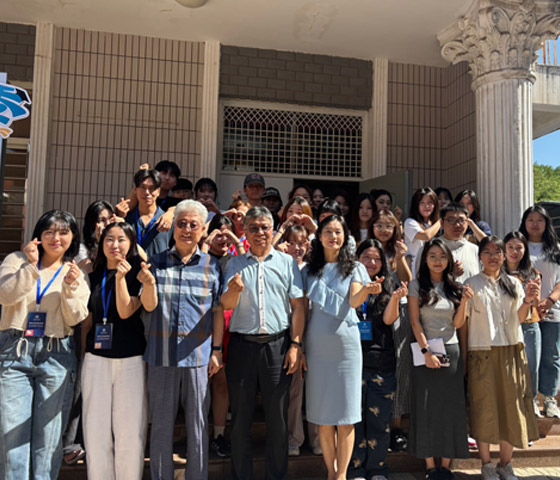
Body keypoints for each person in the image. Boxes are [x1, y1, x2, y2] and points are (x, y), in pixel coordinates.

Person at [0, 209, 90, 480]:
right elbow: (5, 295)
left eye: (63, 232)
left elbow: (76, 317)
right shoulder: (16, 260)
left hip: (56, 354)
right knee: (12, 435)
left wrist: (70, 287)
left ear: (72, 237)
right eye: (49, 231)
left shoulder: (74, 272)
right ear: (38, 234)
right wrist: (31, 265)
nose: (55, 238)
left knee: (48, 439)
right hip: (15, 351)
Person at [221, 206, 305, 480]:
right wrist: (233, 292)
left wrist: (295, 345)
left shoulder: (286, 263)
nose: (259, 233)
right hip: (242, 348)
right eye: (253, 227)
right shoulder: (233, 263)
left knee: (277, 421)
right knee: (241, 420)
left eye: (264, 227)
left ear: (273, 230)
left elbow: (298, 306)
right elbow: (226, 305)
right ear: (244, 231)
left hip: (277, 347)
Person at [143, 200, 224, 480]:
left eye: (193, 225)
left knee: (198, 424)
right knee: (162, 425)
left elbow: (217, 312)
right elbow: (148, 305)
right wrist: (147, 284)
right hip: (160, 354)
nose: (186, 229)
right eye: (181, 223)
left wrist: (216, 350)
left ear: (203, 230)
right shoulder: (155, 263)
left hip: (198, 357)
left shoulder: (212, 267)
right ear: (173, 227)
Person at [81, 222, 155, 480]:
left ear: (132, 244)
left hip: (130, 358)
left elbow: (125, 311)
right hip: (95, 359)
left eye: (121, 239)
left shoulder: (140, 273)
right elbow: (88, 322)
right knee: (95, 429)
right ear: (101, 244)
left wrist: (122, 278)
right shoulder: (93, 275)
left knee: (129, 430)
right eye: (109, 239)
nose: (115, 245)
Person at [303, 215, 374, 480]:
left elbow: (355, 301)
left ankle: (341, 475)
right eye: (328, 231)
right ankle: (330, 473)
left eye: (339, 232)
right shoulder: (307, 271)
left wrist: (367, 291)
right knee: (323, 416)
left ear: (345, 237)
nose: (334, 236)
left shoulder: (355, 268)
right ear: (319, 236)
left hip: (346, 346)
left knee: (346, 416)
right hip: (317, 346)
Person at [465, 236, 539, 480]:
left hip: (511, 350)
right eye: (487, 252)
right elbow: (463, 322)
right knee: (484, 406)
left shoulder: (513, 283)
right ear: (480, 257)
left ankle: (506, 464)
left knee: (511, 406)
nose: (493, 256)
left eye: (498, 251)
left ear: (504, 255)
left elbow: (519, 317)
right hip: (481, 351)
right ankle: (486, 464)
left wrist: (529, 299)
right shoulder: (471, 283)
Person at [407, 238, 472, 480]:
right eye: (432, 256)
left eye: (442, 257)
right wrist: (426, 352)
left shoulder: (455, 287)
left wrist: (464, 301)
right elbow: (415, 322)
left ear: (449, 261)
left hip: (451, 352)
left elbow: (457, 324)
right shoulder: (416, 286)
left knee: (451, 408)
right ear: (425, 259)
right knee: (425, 408)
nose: (437, 261)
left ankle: (446, 465)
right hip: (424, 352)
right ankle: (429, 466)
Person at [347, 239, 407, 480]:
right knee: (355, 421)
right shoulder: (350, 283)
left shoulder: (389, 284)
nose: (371, 263)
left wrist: (393, 298)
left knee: (380, 422)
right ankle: (355, 468)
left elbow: (388, 320)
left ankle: (378, 469)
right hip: (353, 362)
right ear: (356, 260)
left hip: (382, 362)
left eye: (376, 259)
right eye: (366, 258)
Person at [276, 225, 321, 457]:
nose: (297, 247)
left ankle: (317, 438)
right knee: (295, 390)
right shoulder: (282, 266)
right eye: (292, 242)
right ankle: (294, 438)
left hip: (316, 336)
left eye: (302, 243)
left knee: (315, 390)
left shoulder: (315, 269)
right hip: (292, 337)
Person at [370, 208, 412, 451]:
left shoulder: (400, 251)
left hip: (399, 314)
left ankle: (396, 427)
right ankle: (376, 423)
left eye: (389, 225)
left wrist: (402, 258)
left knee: (399, 367)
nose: (384, 229)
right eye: (379, 225)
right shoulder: (367, 250)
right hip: (372, 314)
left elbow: (407, 281)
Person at [519, 205, 560, 418]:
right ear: (524, 223)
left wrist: (551, 299)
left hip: (552, 309)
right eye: (530, 219)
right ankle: (531, 399)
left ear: (546, 223)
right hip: (527, 312)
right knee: (530, 358)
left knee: (551, 356)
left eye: (540, 220)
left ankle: (550, 398)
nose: (535, 224)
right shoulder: (519, 246)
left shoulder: (556, 248)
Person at [504, 231, 543, 417]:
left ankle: (532, 401)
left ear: (525, 250)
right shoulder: (498, 273)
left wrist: (533, 295)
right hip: (505, 326)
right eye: (510, 247)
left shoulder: (533, 273)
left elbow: (536, 306)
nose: (514, 251)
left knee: (531, 367)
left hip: (529, 324)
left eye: (519, 247)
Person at [124, 169, 172, 257]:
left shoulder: (168, 220)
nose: (147, 192)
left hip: (158, 270)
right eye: (143, 187)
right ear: (135, 189)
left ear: (158, 191)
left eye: (152, 188)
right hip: (130, 270)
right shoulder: (127, 219)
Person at [404, 187, 441, 274]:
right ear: (416, 205)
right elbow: (426, 236)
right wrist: (440, 221)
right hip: (414, 274)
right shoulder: (410, 222)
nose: (426, 206)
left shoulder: (435, 225)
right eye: (422, 203)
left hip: (433, 273)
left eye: (430, 203)